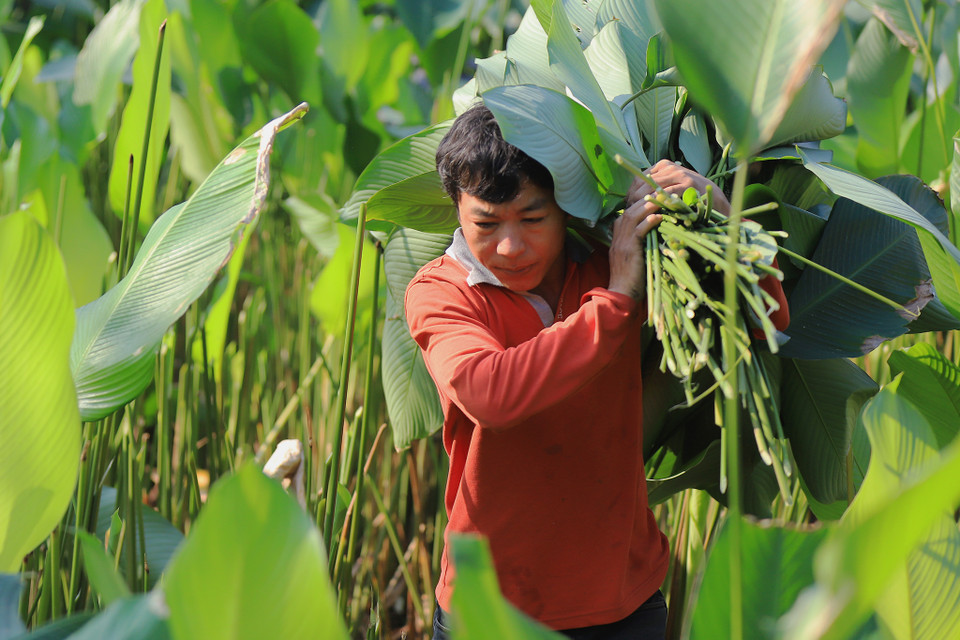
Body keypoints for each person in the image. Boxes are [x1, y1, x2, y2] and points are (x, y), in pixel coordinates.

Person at [404, 103, 789, 640]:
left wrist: (720, 215)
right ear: (457, 210)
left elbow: (763, 319)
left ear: (567, 206)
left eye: (532, 219)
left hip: (623, 597)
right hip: (492, 605)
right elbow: (488, 393)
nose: (510, 247)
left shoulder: (611, 255)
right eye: (485, 224)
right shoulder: (440, 291)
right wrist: (617, 299)